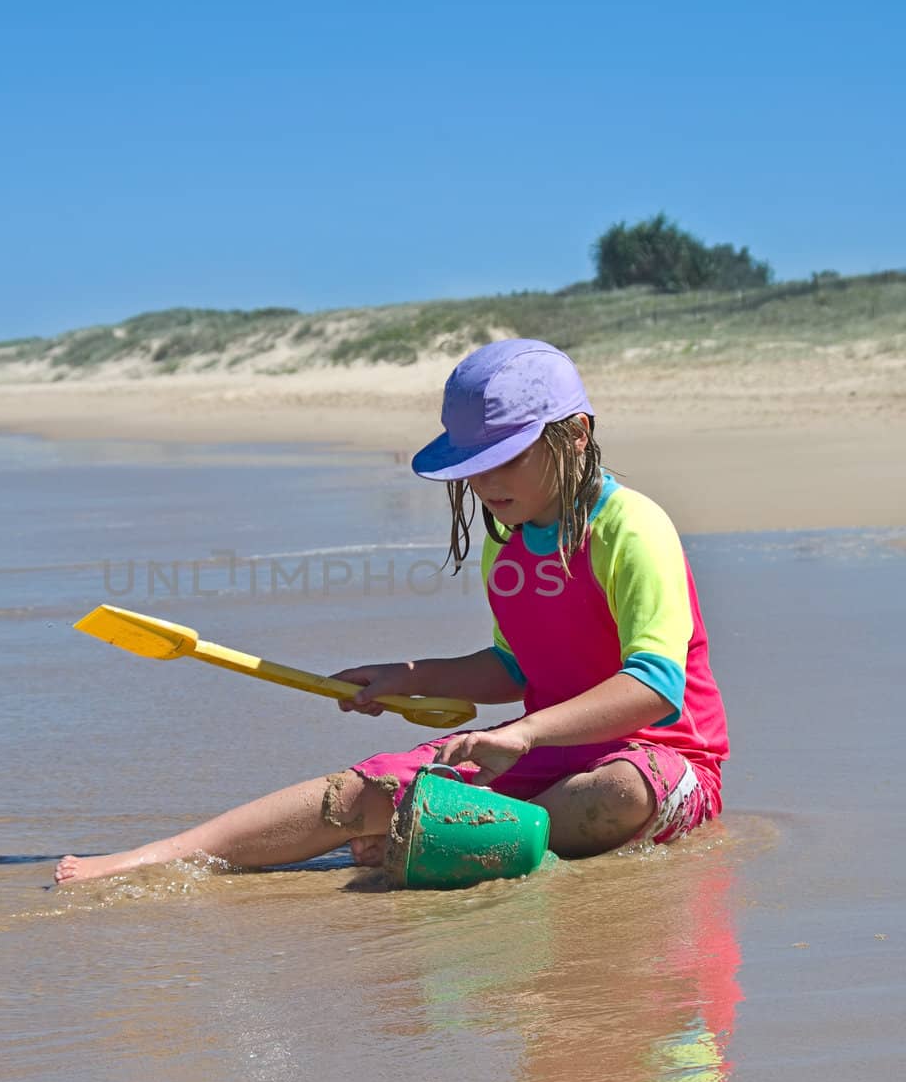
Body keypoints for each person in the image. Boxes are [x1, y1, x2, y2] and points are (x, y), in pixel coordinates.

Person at [55, 339, 728, 884]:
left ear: (576, 435)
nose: (486, 484)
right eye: (472, 466)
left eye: (507, 461)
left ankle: (446, 841)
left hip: (664, 761)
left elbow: (655, 686)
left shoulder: (631, 528)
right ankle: (159, 856)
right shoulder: (509, 547)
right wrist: (410, 676)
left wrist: (524, 736)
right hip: (549, 748)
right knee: (360, 792)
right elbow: (515, 668)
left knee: (613, 794)